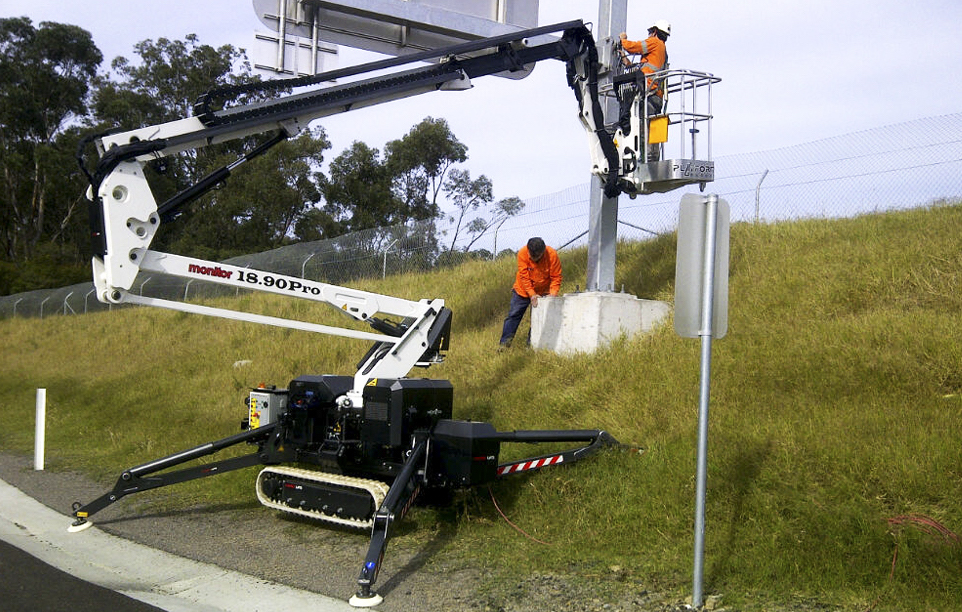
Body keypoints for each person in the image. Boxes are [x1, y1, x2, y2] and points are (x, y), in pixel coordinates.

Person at [499, 237, 562, 348]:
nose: (534, 260)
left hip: (543, 292)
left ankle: (531, 345)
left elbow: (556, 277)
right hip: (522, 291)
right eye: (532, 257)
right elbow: (524, 277)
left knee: (537, 319)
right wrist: (532, 294)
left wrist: (552, 295)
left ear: (543, 251)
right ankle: (504, 345)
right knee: (513, 316)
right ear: (528, 250)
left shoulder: (552, 255)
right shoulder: (522, 254)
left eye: (537, 257)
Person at [616, 19, 671, 137]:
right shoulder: (662, 51)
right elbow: (645, 69)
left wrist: (623, 39)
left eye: (650, 32)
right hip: (656, 95)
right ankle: (652, 155)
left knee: (642, 131)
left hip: (649, 93)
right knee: (652, 135)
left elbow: (634, 47)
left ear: (655, 32)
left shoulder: (655, 42)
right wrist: (627, 62)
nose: (649, 35)